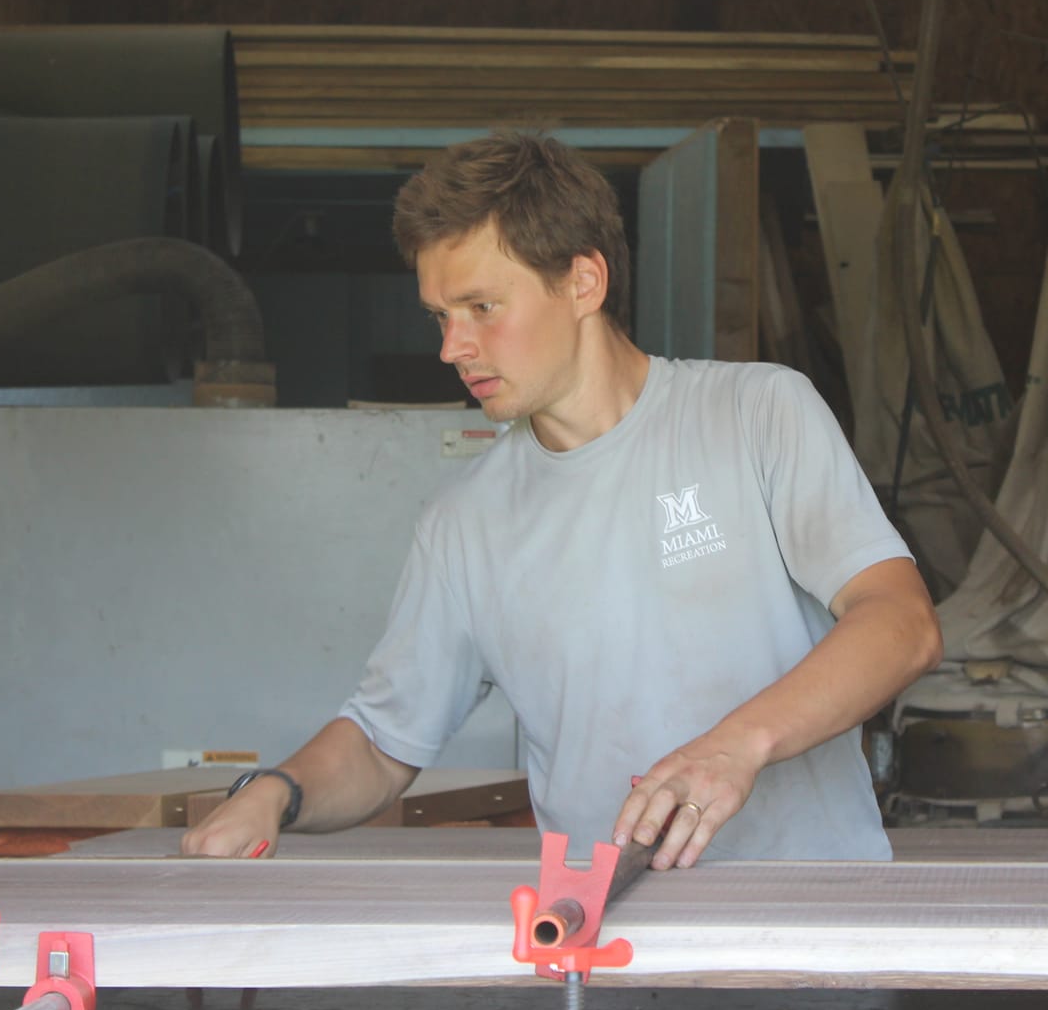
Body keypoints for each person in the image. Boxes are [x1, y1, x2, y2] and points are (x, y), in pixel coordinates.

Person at [183, 131, 941, 867]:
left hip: (810, 929)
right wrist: (275, 790)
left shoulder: (758, 414)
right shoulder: (464, 521)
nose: (453, 347)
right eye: (440, 316)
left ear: (585, 282)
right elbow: (383, 742)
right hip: (599, 945)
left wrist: (735, 746)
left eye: (482, 307)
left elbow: (901, 622)